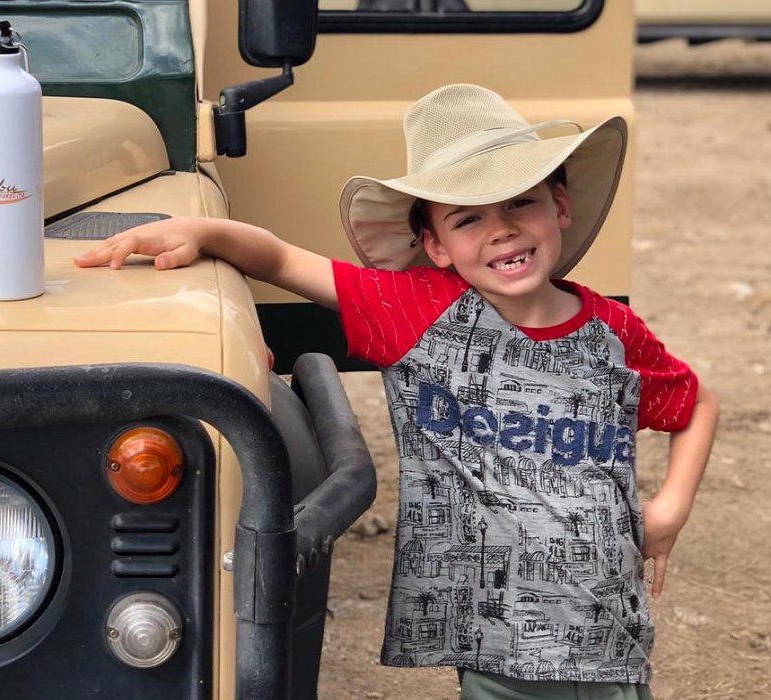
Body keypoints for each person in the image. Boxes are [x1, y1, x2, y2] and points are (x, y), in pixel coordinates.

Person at [74, 84, 719, 700]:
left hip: (609, 627)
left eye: (521, 202)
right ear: (434, 245)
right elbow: (281, 260)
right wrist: (206, 234)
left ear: (561, 207)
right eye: (469, 218)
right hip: (493, 642)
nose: (502, 230)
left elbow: (696, 404)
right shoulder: (412, 313)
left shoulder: (614, 333)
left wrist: (668, 512)